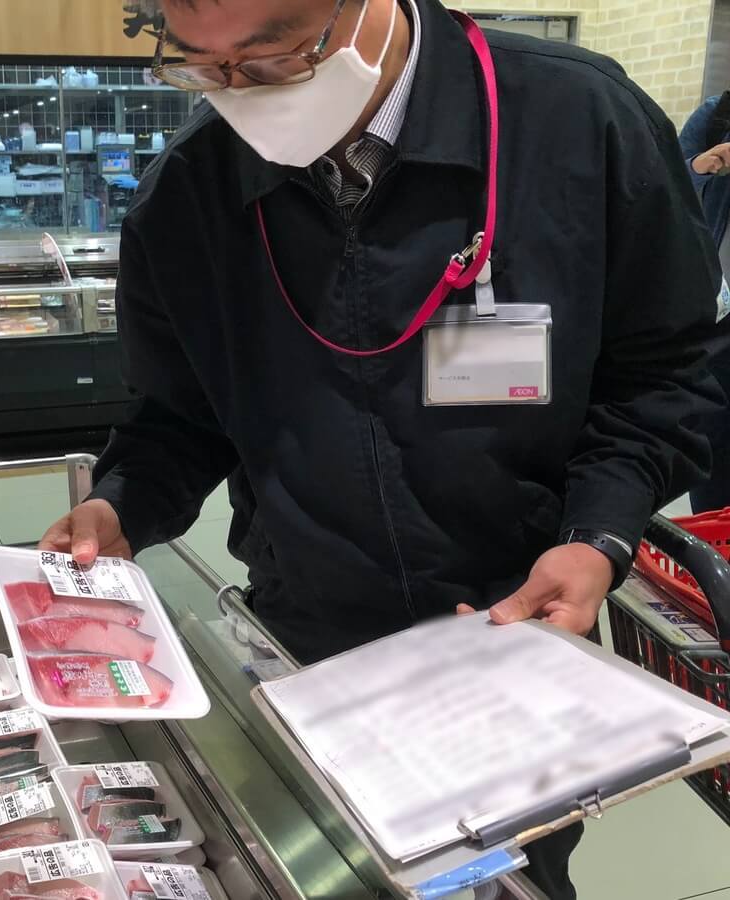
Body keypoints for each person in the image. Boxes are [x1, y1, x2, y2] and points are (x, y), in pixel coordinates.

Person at [40, 1, 726, 896]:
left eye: (276, 55)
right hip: (308, 639)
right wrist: (120, 502)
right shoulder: (189, 192)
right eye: (203, 66)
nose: (239, 92)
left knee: (509, 879)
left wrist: (598, 535)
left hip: (517, 624)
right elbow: (180, 415)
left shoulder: (576, 121)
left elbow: (665, 374)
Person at [680, 93, 730, 512]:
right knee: (712, 438)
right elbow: (670, 184)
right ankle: (712, 538)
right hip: (720, 315)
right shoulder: (718, 114)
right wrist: (702, 165)